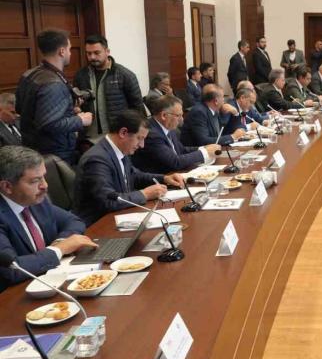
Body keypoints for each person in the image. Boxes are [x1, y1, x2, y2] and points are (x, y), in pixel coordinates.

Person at [0, 146, 96, 290]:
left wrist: (61, 241)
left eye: (43, 177)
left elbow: (73, 221)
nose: (45, 185)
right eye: (35, 181)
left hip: (51, 280)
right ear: (7, 187)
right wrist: (59, 250)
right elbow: (12, 269)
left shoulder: (35, 200)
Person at [74, 110, 185, 226]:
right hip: (98, 225)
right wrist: (145, 194)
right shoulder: (97, 159)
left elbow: (134, 175)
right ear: (123, 133)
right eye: (139, 138)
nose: (142, 145)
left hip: (120, 215)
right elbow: (107, 201)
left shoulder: (120, 149)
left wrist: (165, 178)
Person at [16, 29, 92, 164]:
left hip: (33, 148)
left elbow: (20, 108)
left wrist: (68, 110)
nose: (70, 53)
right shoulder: (53, 83)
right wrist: (80, 120)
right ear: (62, 51)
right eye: (69, 49)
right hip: (54, 154)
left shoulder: (29, 74)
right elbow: (49, 124)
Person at [73, 34, 143, 138]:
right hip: (89, 138)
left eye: (97, 53)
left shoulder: (125, 75)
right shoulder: (81, 75)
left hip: (117, 136)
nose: (92, 57)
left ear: (107, 51)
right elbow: (76, 103)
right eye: (89, 53)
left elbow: (137, 108)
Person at [132, 95, 219, 174]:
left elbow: (181, 150)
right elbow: (175, 162)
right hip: (160, 179)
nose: (182, 119)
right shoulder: (152, 134)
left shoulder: (168, 126)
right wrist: (205, 152)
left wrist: (204, 148)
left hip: (175, 174)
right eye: (178, 115)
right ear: (164, 115)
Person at [180, 84, 246, 147]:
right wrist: (233, 136)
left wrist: (235, 113)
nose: (224, 100)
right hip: (196, 152)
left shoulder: (214, 110)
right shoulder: (199, 112)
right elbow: (204, 141)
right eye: (223, 97)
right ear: (216, 101)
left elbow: (225, 130)